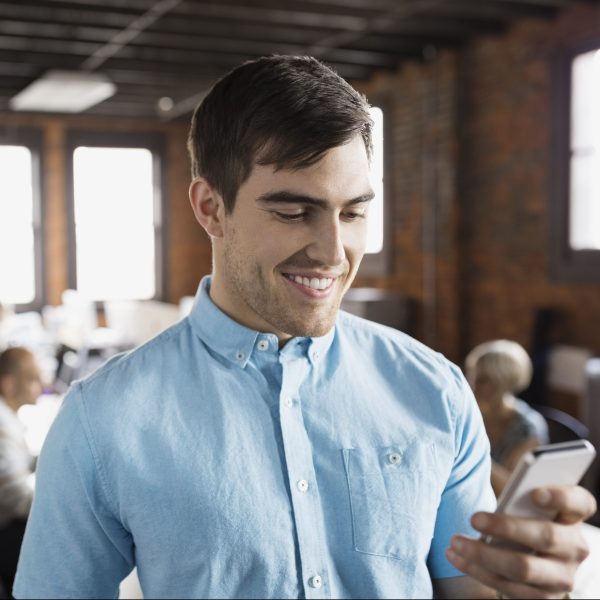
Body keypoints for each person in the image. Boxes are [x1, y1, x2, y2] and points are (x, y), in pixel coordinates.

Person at [14, 56, 595, 599]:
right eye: (294, 213)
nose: (333, 251)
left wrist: (526, 582)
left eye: (354, 212)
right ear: (210, 208)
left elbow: (470, 587)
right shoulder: (101, 420)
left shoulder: (436, 390)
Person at [465, 339, 550, 495]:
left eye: (483, 380)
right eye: (473, 377)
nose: (473, 385)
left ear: (502, 382)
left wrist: (469, 452)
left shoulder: (528, 427)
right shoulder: (471, 413)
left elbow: (510, 488)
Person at [0, 347, 41, 597]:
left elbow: (22, 464)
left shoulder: (8, 418)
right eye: (32, 379)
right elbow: (15, 497)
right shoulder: (2, 426)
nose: (40, 385)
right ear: (8, 384)